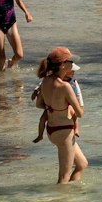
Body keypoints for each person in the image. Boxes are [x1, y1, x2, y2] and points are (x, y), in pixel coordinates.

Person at [34, 48, 88, 184]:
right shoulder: (65, 86)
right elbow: (80, 113)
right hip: (64, 132)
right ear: (63, 65)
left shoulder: (45, 81)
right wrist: (73, 103)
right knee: (63, 177)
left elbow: (39, 104)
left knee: (82, 164)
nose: (72, 64)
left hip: (52, 130)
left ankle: (69, 199)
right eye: (70, 61)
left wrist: (54, 107)